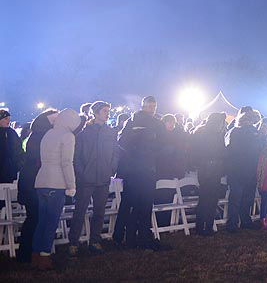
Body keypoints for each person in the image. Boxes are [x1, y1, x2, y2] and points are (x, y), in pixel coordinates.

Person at [115, 96, 167, 250]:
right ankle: (128, 237)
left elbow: (163, 143)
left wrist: (152, 151)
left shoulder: (156, 123)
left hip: (146, 169)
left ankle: (141, 236)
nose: (152, 109)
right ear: (143, 106)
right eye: (149, 106)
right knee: (132, 204)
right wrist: (139, 149)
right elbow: (122, 142)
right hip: (135, 170)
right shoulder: (133, 121)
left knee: (144, 205)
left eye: (154, 106)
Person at [32, 108, 81, 270]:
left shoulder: (48, 134)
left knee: (41, 221)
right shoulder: (68, 136)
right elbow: (67, 162)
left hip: (41, 181)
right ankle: (45, 256)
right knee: (51, 222)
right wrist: (71, 185)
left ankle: (35, 255)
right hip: (57, 183)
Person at [69, 101, 119, 256]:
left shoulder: (110, 132)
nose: (107, 114)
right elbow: (76, 157)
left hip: (103, 178)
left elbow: (115, 153)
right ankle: (73, 243)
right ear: (95, 113)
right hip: (86, 179)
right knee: (80, 211)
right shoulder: (84, 134)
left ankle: (95, 241)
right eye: (104, 111)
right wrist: (82, 173)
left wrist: (111, 168)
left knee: (99, 212)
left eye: (108, 111)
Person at [16, 108, 58, 264]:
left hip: (38, 182)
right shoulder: (38, 137)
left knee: (38, 218)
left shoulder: (44, 136)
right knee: (34, 217)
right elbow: (37, 159)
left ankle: (33, 251)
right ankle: (27, 252)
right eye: (53, 121)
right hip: (32, 183)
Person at [225, 108, 263, 231]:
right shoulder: (241, 132)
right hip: (242, 169)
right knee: (241, 198)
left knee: (242, 198)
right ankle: (237, 222)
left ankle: (238, 223)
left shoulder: (234, 132)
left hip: (241, 169)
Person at [191, 112, 227, 236]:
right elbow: (220, 152)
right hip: (211, 170)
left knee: (208, 199)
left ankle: (204, 227)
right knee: (209, 199)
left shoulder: (206, 134)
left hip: (209, 170)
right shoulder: (212, 135)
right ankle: (205, 227)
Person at [0, 108, 24, 183]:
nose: (8, 121)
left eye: (9, 119)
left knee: (7, 192)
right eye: (6, 119)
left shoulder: (12, 133)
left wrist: (18, 164)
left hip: (10, 169)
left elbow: (18, 149)